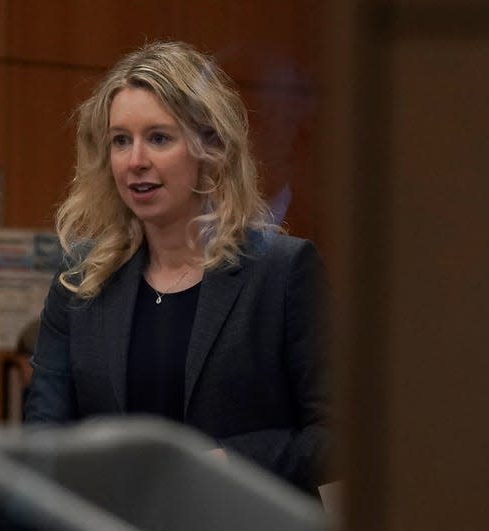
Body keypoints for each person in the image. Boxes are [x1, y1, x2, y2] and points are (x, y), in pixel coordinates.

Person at [25, 41, 330, 495]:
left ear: (210, 148)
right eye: (120, 141)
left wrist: (229, 462)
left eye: (159, 138)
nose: (136, 161)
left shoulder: (282, 273)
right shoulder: (82, 278)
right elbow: (42, 438)